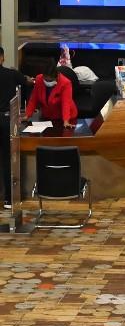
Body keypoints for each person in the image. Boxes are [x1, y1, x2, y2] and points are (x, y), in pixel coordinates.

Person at [0, 46, 31, 206]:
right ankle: (8, 199)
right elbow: (29, 81)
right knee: (7, 159)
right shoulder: (12, 74)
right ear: (2, 58)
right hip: (6, 121)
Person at [25, 62, 77, 129]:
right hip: (47, 117)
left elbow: (66, 103)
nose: (48, 82)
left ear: (57, 76)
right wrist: (27, 115)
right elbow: (33, 98)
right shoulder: (39, 79)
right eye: (46, 80)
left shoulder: (65, 83)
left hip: (66, 117)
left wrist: (66, 121)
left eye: (51, 80)